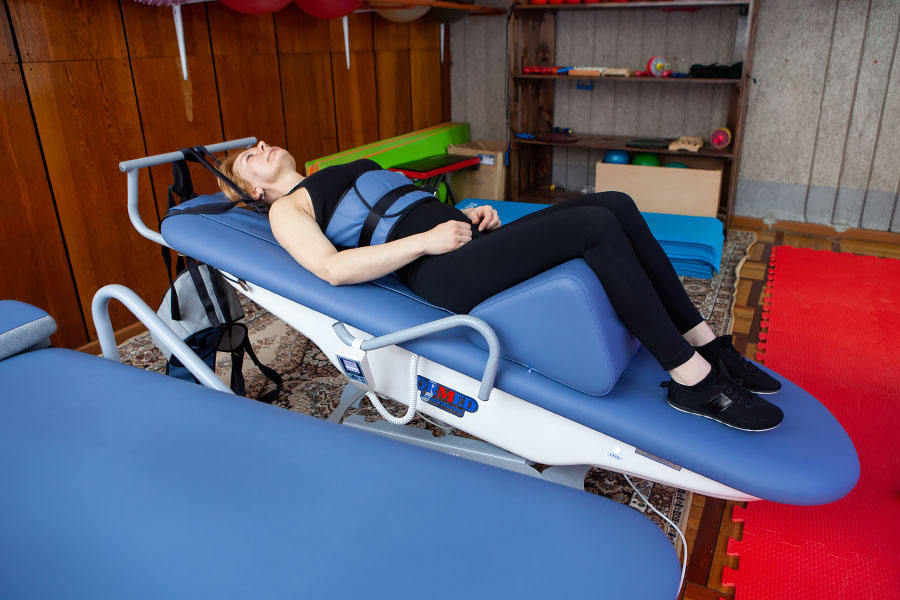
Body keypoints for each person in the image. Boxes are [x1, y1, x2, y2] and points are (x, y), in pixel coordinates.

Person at [216, 141, 783, 431]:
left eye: (259, 143)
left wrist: (466, 215)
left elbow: (403, 208)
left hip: (461, 242)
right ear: (253, 193)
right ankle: (692, 379)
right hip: (440, 272)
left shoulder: (338, 169)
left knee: (615, 202)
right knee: (594, 224)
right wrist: (427, 242)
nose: (262, 146)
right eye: (249, 157)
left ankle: (706, 345)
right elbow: (333, 269)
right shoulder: (286, 209)